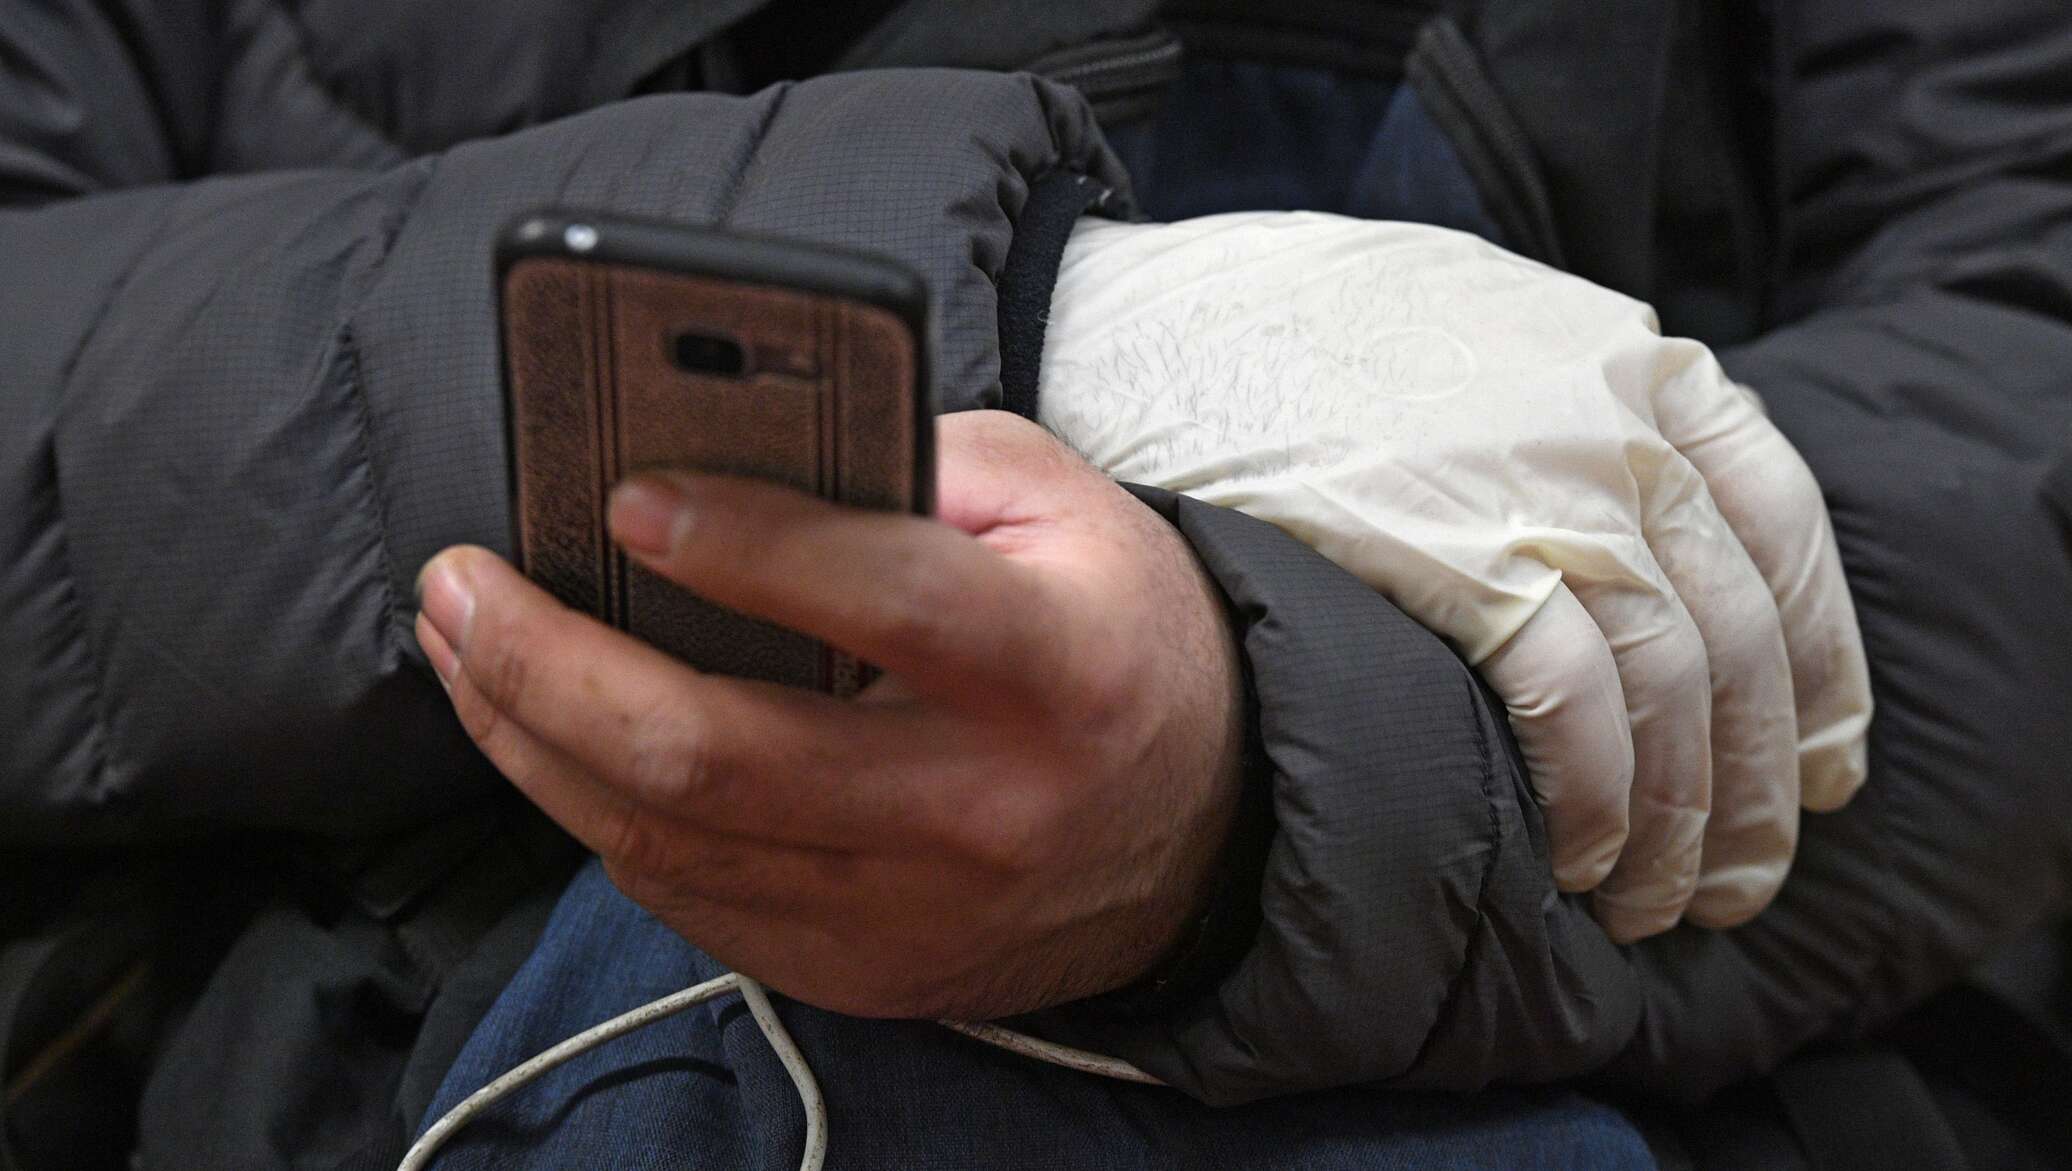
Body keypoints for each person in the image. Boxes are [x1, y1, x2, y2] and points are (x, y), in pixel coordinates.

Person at [3, 1, 2068, 1168]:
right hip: (426, 1022)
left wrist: (1259, 772)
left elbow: (2018, 354)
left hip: (1671, 1065)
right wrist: (1032, 315)